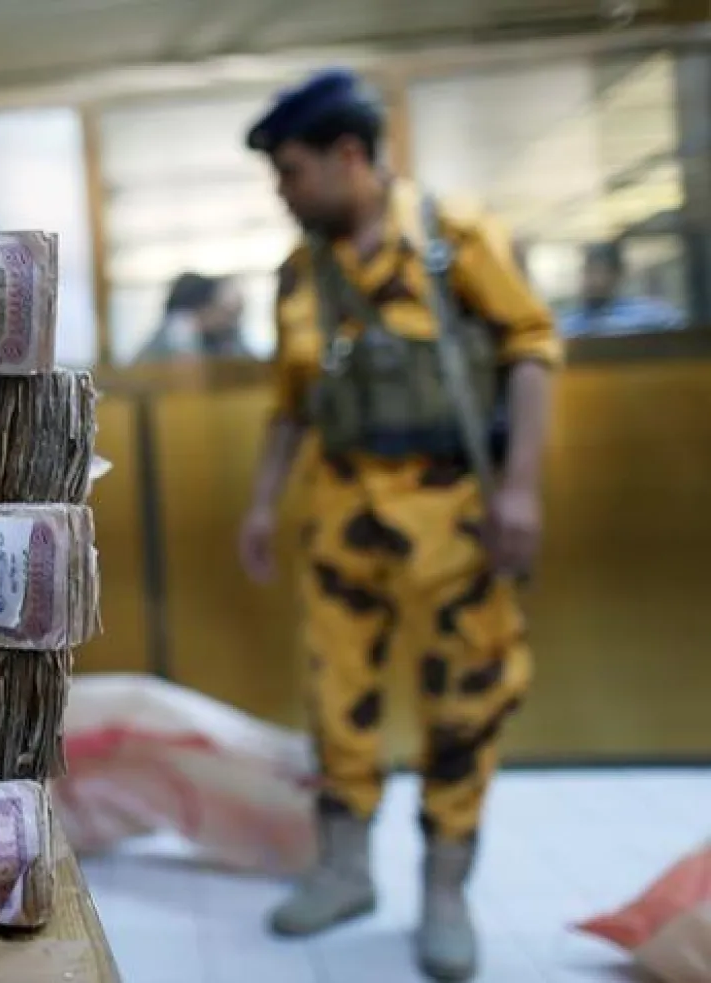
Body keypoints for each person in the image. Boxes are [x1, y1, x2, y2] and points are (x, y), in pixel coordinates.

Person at [236, 69, 559, 981]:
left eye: (292, 171)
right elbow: (290, 407)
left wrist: (523, 489)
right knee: (336, 699)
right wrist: (262, 504)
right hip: (342, 517)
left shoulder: (454, 240)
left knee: (466, 701)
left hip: (456, 518)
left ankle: (446, 887)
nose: (284, 191)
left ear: (349, 157)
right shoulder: (304, 271)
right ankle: (344, 870)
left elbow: (532, 351)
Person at [558, 241, 685, 338]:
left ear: (617, 275)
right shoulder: (570, 324)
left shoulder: (650, 315)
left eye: (600, 271)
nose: (592, 279)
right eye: (587, 271)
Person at [138, 273, 251, 360]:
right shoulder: (176, 332)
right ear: (204, 308)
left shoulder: (224, 335)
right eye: (225, 312)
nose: (229, 321)